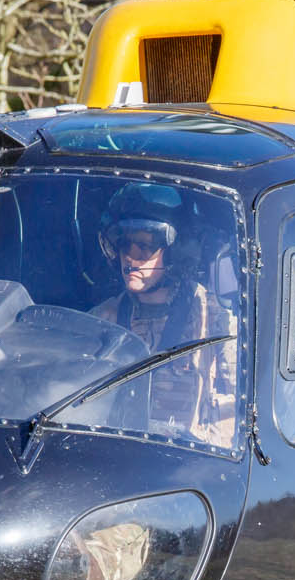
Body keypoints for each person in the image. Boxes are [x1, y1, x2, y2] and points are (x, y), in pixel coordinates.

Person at [90, 183, 236, 445]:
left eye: (145, 246)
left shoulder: (214, 319)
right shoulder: (103, 320)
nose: (131, 258)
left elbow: (239, 408)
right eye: (125, 244)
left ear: (175, 252)